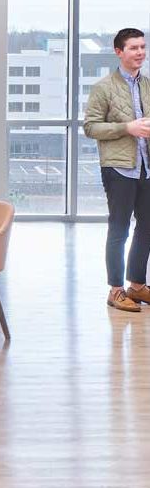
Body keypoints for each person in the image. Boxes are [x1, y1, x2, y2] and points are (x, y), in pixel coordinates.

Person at [83, 27, 150, 312]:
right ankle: (115, 290)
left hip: (146, 168)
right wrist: (127, 127)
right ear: (119, 52)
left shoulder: (147, 85)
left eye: (143, 47)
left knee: (147, 227)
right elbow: (90, 127)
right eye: (134, 48)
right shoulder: (103, 88)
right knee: (119, 229)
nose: (140, 52)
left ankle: (137, 285)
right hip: (118, 169)